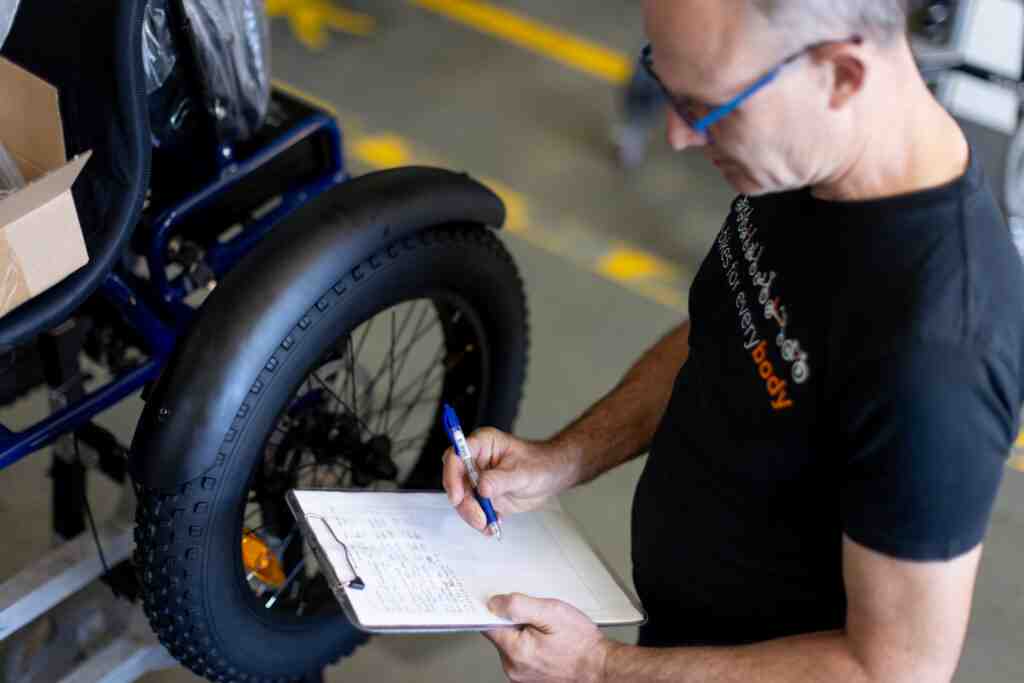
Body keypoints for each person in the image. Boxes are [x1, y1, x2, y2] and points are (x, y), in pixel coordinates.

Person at [443, 0, 1024, 681]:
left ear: (840, 75)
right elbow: (728, 328)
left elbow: (889, 669)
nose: (681, 137)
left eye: (708, 109)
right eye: (666, 87)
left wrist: (599, 667)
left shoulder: (941, 346)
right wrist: (562, 460)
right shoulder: (809, 155)